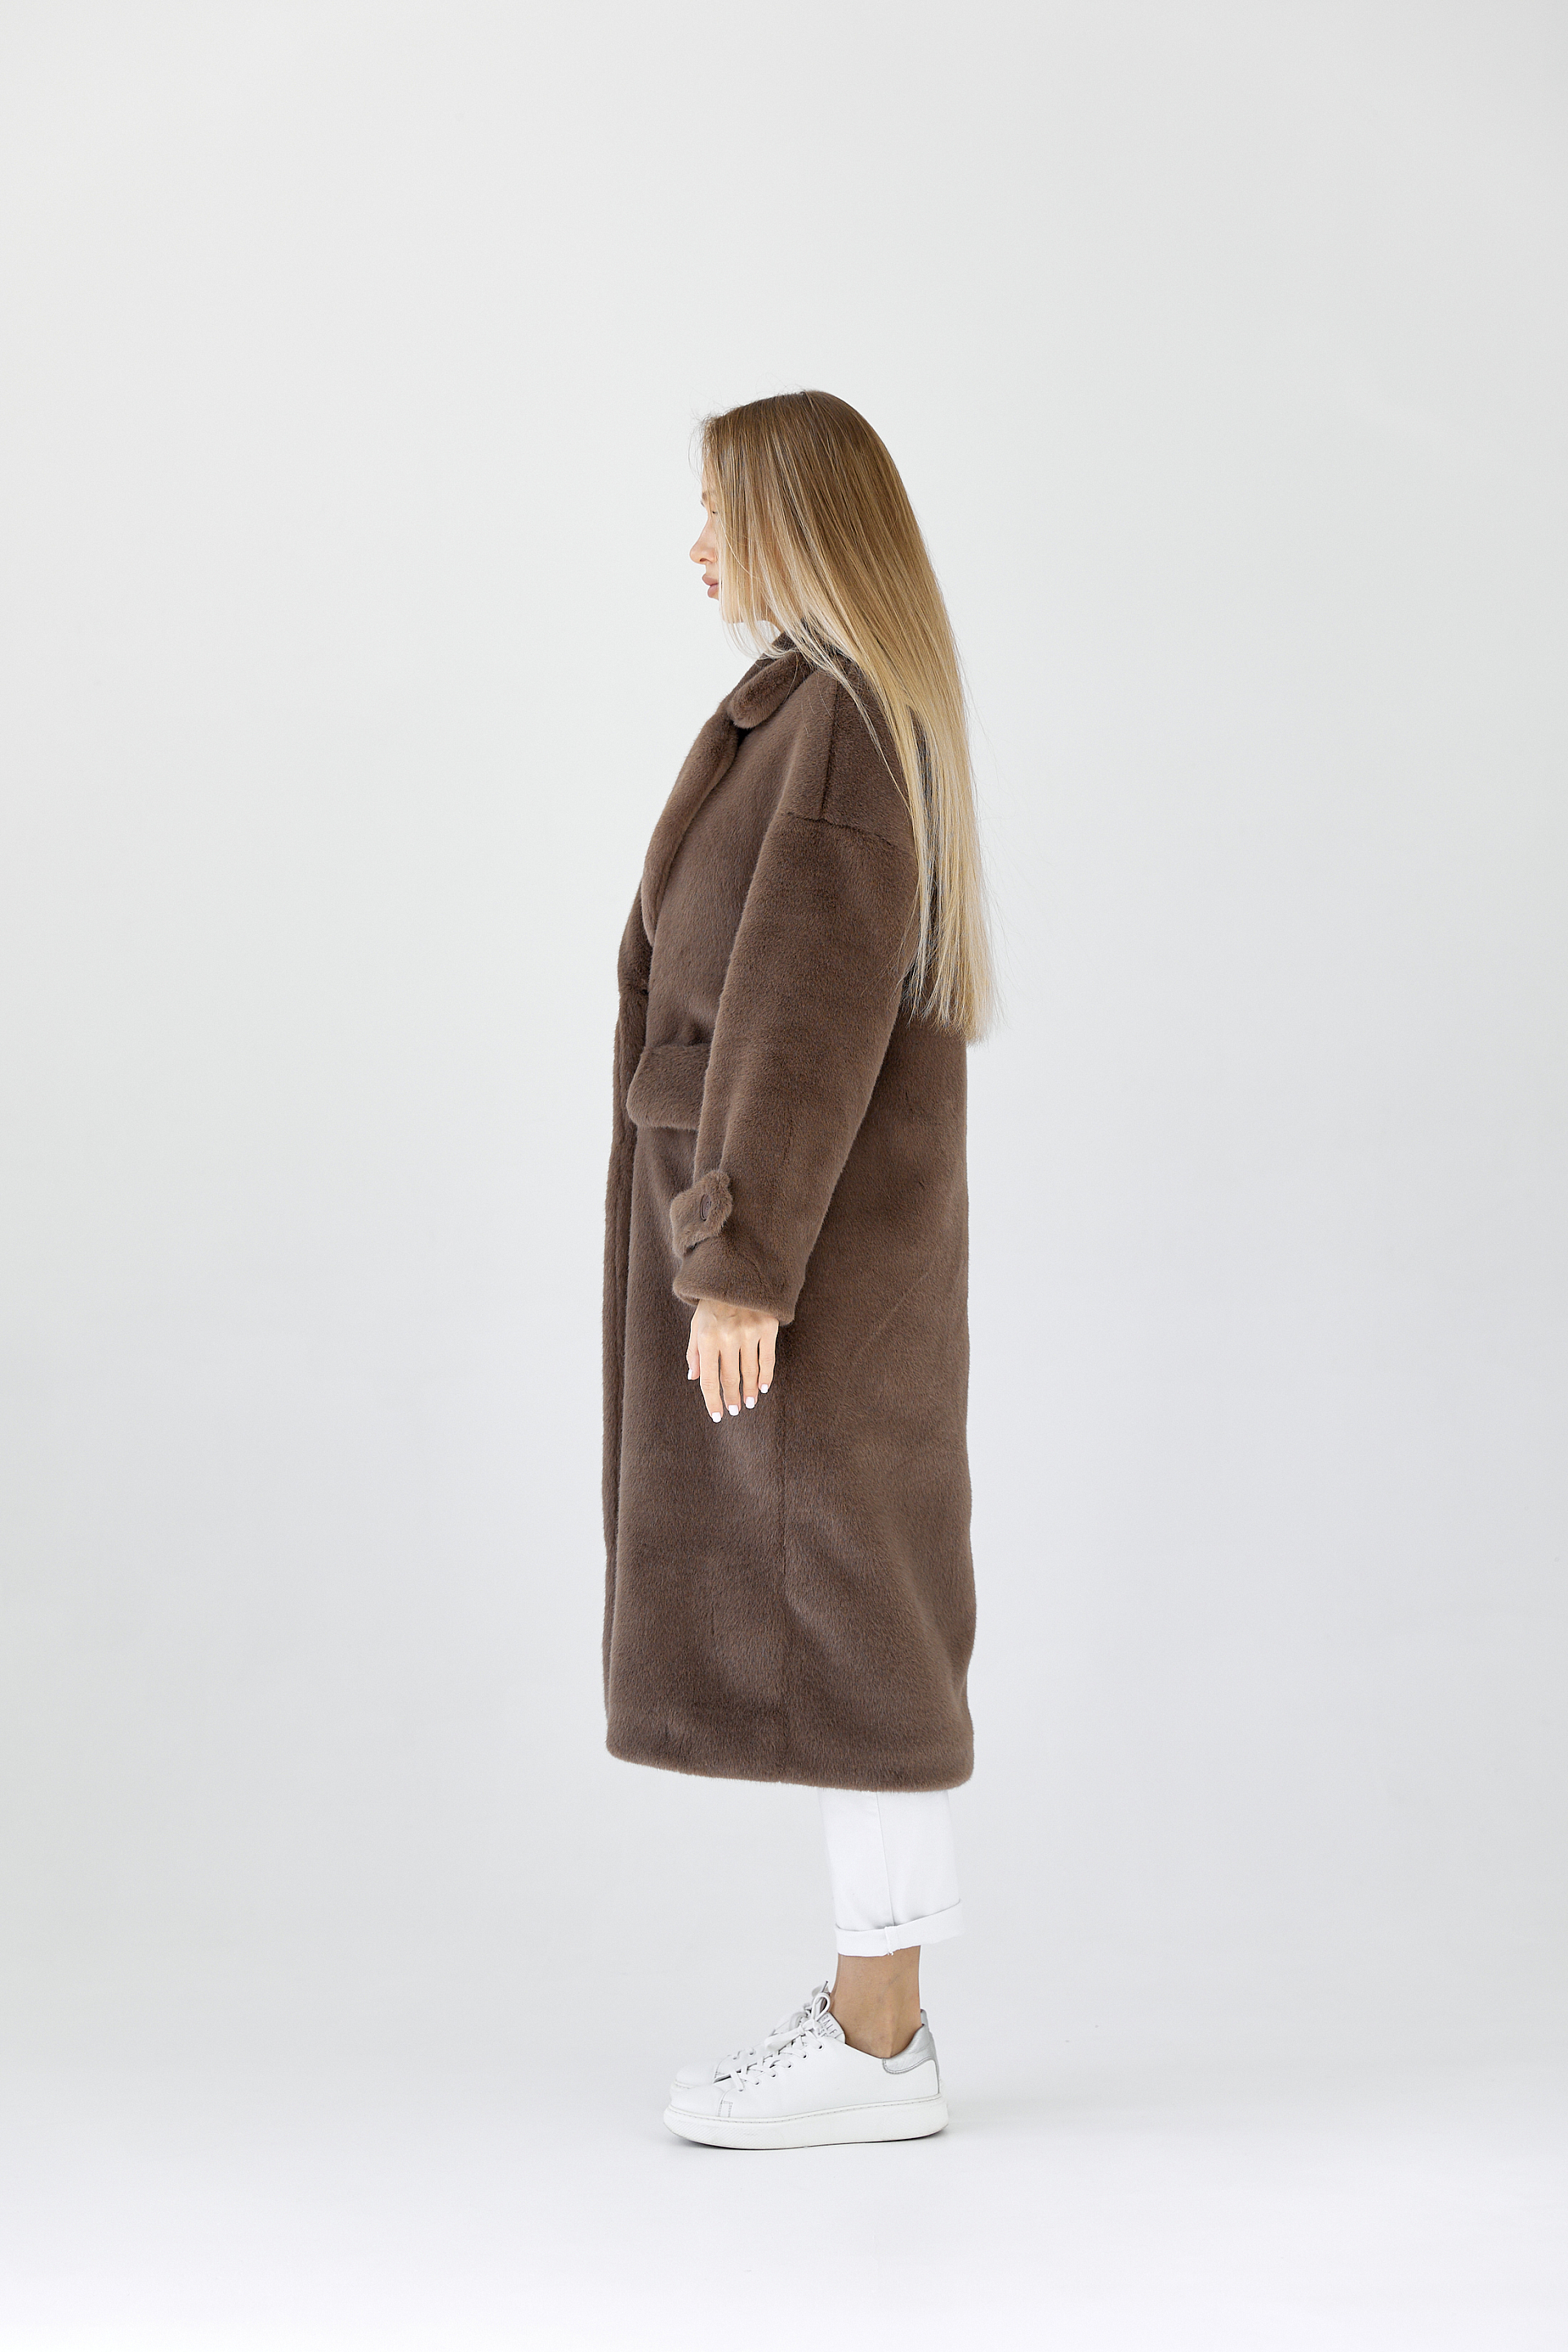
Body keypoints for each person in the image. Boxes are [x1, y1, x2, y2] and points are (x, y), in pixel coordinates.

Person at [600, 390, 991, 2149]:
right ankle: (872, 2030)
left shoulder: (833, 729)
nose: (697, 545)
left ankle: (876, 2045)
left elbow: (801, 1015)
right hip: (810, 1237)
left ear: (794, 525)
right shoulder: (816, 712)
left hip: (808, 1255)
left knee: (859, 1638)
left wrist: (742, 1264)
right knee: (858, 1624)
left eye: (720, 512)